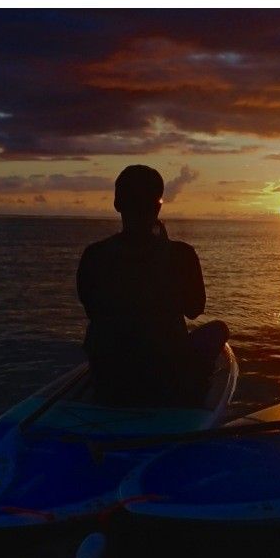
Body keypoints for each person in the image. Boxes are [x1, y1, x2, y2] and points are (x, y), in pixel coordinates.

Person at [76, 164, 229, 407]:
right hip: (166, 381)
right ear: (158, 205)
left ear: (117, 204)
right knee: (219, 329)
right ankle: (194, 392)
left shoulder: (94, 255)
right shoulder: (181, 254)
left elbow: (93, 311)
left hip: (110, 379)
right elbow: (195, 309)